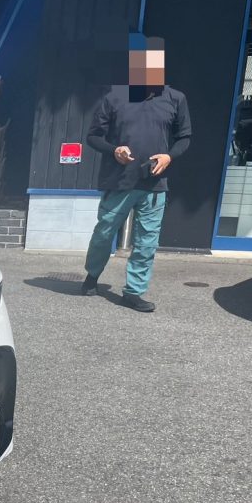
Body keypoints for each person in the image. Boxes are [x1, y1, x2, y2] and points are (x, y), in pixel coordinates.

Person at [81, 34, 192, 312]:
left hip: (155, 183)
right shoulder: (115, 96)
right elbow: (93, 136)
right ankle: (92, 276)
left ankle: (134, 292)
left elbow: (184, 137)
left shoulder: (175, 98)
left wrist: (169, 155)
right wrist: (114, 150)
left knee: (147, 242)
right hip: (119, 180)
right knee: (104, 232)